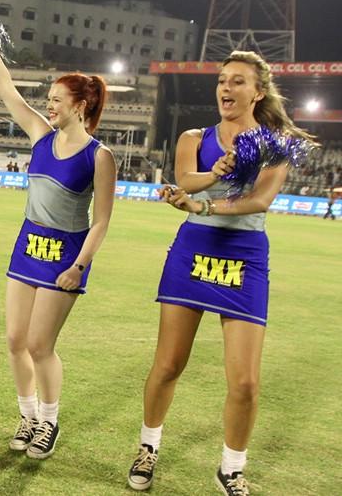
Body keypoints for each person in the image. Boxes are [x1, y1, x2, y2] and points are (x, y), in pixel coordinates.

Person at [126, 51, 318, 495]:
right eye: (221, 81)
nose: (226, 89)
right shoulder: (195, 136)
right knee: (169, 363)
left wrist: (203, 204)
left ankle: (231, 467)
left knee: (247, 382)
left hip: (244, 254)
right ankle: (148, 446)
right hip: (194, 250)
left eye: (237, 82)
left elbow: (259, 201)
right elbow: (183, 179)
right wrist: (211, 175)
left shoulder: (275, 144)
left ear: (258, 91)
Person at [0, 16, 116, 460]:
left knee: (41, 345)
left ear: (80, 105)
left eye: (56, 100)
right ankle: (27, 414)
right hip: (28, 245)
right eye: (48, 99)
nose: (48, 105)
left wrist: (79, 266)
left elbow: (102, 220)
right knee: (16, 340)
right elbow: (5, 89)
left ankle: (49, 422)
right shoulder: (40, 134)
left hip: (66, 256)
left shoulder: (101, 156)